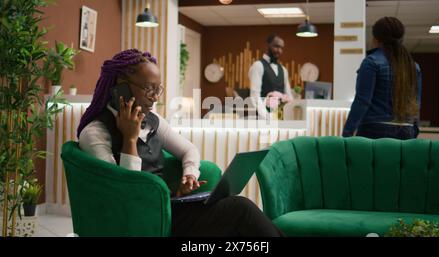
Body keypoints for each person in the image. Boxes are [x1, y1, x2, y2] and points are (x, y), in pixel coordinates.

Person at [77, 49, 283, 237]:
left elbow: (189, 149)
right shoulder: (95, 134)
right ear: (120, 86)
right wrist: (130, 139)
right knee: (240, 211)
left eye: (158, 90)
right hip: (142, 221)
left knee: (238, 209)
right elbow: (126, 194)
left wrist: (189, 176)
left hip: (168, 208)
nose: (154, 98)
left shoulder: (153, 120)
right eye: (148, 89)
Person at [342, 17, 422, 139]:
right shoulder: (413, 66)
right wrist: (415, 129)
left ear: (376, 38)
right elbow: (416, 102)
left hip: (374, 129)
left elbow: (362, 101)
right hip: (406, 129)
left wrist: (347, 133)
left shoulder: (371, 62)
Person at [249, 34, 293, 119]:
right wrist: (267, 117)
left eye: (281, 48)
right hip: (262, 119)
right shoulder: (258, 66)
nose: (279, 50)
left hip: (280, 118)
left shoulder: (284, 70)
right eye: (276, 46)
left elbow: (288, 95)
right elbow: (255, 95)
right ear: (267, 45)